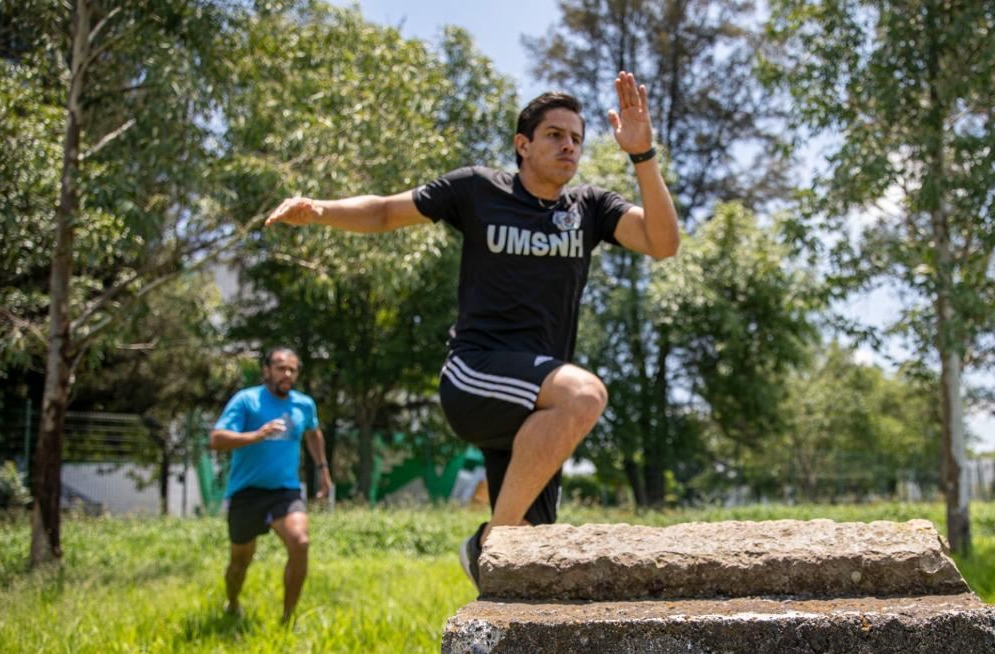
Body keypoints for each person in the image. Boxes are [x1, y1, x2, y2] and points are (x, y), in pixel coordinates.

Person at [264, 71, 680, 589]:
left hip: (538, 404)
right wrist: (321, 209)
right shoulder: (479, 190)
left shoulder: (590, 209)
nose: (568, 146)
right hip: (475, 375)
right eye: (555, 135)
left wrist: (643, 156)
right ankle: (494, 545)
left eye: (576, 138)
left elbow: (663, 243)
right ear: (522, 145)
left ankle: (495, 555)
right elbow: (388, 212)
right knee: (585, 394)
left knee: (533, 558)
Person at [209, 347, 332, 623]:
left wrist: (323, 469)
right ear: (267, 371)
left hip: (284, 491)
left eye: (292, 369)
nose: (286, 373)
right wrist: (256, 435)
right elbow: (217, 439)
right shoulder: (247, 400)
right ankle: (232, 602)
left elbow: (313, 434)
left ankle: (288, 619)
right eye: (280, 367)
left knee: (300, 542)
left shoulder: (304, 404)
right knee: (240, 562)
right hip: (246, 492)